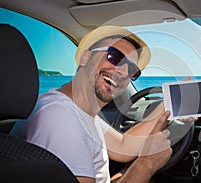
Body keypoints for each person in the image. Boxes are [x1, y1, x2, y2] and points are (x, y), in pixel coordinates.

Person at [10, 26, 174, 183]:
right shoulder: (60, 119)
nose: (123, 73)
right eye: (115, 57)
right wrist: (146, 165)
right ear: (85, 57)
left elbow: (124, 145)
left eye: (132, 70)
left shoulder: (81, 112)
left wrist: (168, 105)